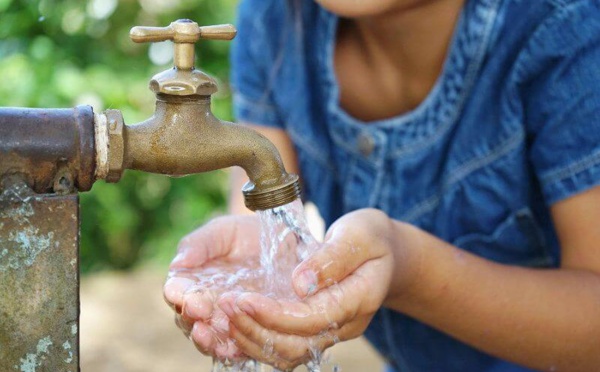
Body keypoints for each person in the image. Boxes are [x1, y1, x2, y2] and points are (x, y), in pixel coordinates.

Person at [164, 0, 600, 370]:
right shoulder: (277, 17)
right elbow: (262, 191)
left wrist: (410, 270)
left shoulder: (568, 30)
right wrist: (256, 275)